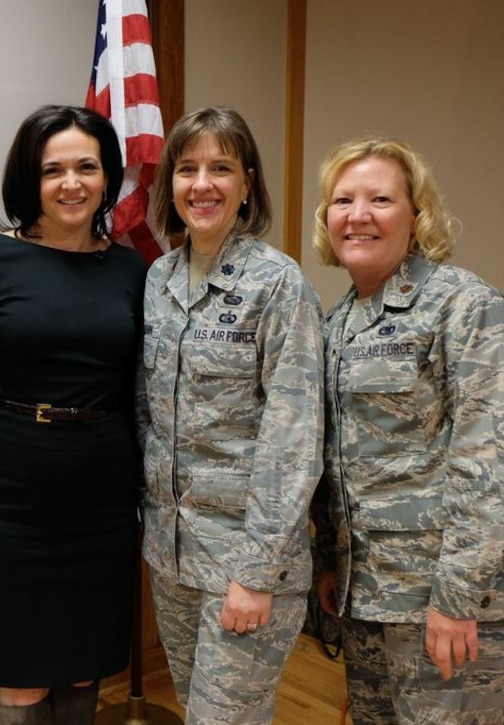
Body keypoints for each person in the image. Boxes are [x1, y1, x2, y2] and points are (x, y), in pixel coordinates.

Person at [310, 136, 504, 724]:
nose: (358, 215)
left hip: (450, 608)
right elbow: (336, 460)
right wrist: (330, 562)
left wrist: (458, 596)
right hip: (370, 602)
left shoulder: (465, 306)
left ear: (417, 216)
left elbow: (498, 466)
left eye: (380, 199)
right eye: (343, 201)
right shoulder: (337, 323)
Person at [0, 104, 145, 725]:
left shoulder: (130, 268)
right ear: (30, 179)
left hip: (100, 499)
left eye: (86, 166)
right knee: (19, 673)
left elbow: (138, 389)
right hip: (9, 497)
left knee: (85, 664)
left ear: (108, 176)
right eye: (53, 169)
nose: (71, 183)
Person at [139, 106, 324, 724]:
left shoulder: (278, 283)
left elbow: (293, 438)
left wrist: (256, 571)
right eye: (187, 169)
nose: (202, 184)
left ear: (247, 182)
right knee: (200, 712)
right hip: (172, 557)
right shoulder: (158, 278)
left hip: (245, 559)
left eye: (220, 168)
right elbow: (148, 413)